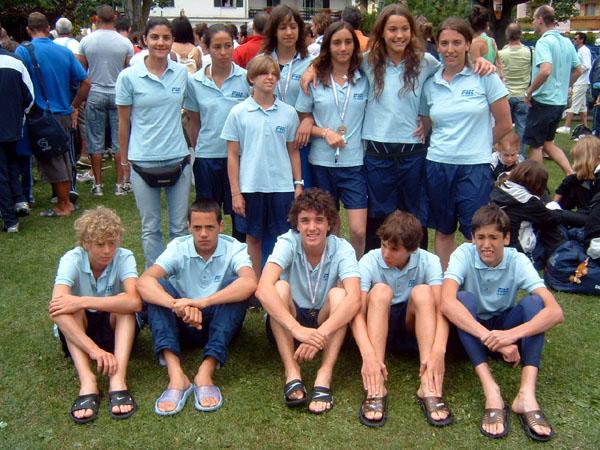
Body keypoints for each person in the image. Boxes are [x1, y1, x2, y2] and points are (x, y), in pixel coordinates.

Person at [441, 204, 564, 441]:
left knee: (534, 304)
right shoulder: (463, 254)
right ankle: (491, 390)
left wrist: (510, 335)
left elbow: (555, 312)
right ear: (473, 238)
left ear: (506, 238)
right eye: (480, 237)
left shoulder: (517, 260)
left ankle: (526, 394)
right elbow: (446, 302)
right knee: (463, 300)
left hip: (504, 326)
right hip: (471, 332)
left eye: (493, 237)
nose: (486, 244)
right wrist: (491, 339)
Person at [137, 199, 256, 415]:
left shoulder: (234, 248)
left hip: (218, 319)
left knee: (236, 287)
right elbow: (144, 281)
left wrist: (202, 302)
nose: (203, 234)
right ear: (189, 227)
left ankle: (206, 371)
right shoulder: (178, 247)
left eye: (210, 227)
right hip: (182, 319)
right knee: (158, 288)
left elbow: (249, 282)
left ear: (221, 226)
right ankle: (176, 376)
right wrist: (176, 305)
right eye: (197, 227)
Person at [255, 188, 361, 414]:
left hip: (325, 322)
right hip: (291, 320)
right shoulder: (287, 242)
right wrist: (297, 329)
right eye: (305, 221)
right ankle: (292, 370)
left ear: (330, 223)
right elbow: (262, 289)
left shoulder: (342, 248)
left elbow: (355, 299)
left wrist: (319, 334)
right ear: (297, 223)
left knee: (340, 295)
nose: (312, 227)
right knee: (279, 288)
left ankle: (325, 373)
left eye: (319, 220)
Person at [420, 17, 512, 270]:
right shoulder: (430, 82)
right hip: (438, 165)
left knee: (477, 231)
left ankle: (474, 281)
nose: (450, 49)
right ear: (437, 45)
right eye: (444, 43)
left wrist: (480, 145)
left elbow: (505, 123)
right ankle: (445, 282)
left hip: (474, 166)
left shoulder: (485, 76)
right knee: (443, 229)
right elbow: (425, 123)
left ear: (468, 44)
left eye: (457, 42)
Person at [352, 211, 451, 428]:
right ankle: (376, 385)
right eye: (383, 245)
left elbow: (442, 309)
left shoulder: (429, 261)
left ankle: (428, 383)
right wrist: (368, 355)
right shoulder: (369, 260)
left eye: (394, 249)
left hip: (412, 327)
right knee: (380, 291)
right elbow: (356, 312)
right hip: (379, 326)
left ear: (412, 249)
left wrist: (439, 350)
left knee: (423, 292)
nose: (386, 253)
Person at [49, 207, 141, 424]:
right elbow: (55, 309)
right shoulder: (71, 259)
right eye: (100, 244)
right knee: (68, 309)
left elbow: (135, 302)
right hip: (81, 335)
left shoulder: (124, 256)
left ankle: (117, 380)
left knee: (124, 305)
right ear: (86, 243)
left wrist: (82, 300)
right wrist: (94, 350)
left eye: (112, 243)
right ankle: (88, 381)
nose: (107, 250)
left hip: (114, 328)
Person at [116, 17, 191, 268]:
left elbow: (192, 110)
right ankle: (154, 279)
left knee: (179, 227)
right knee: (151, 228)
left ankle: (178, 275)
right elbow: (123, 122)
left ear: (173, 40)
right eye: (155, 37)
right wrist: (124, 161)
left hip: (177, 157)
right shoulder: (128, 77)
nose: (161, 43)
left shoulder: (181, 73)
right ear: (144, 40)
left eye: (166, 37)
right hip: (143, 160)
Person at [221, 54, 301, 278]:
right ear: (251, 78)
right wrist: (236, 192)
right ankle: (254, 286)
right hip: (251, 186)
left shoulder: (288, 112)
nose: (270, 77)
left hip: (282, 187)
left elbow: (293, 151)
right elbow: (233, 155)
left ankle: (281, 284)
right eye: (264, 73)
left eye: (274, 74)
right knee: (253, 238)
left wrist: (298, 184)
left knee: (284, 239)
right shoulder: (238, 113)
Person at [295, 21, 368, 257]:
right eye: (337, 43)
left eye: (347, 42)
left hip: (354, 162)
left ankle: (354, 270)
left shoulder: (364, 77)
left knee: (358, 230)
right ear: (328, 46)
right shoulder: (315, 79)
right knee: (330, 227)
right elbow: (303, 119)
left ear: (355, 46)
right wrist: (325, 132)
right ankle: (331, 270)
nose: (343, 48)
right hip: (322, 162)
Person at [15, 12, 90, 218]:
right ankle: (66, 200)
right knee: (63, 157)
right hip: (63, 112)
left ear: (28, 30)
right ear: (49, 29)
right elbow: (86, 82)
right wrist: (74, 106)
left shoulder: (23, 51)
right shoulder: (63, 51)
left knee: (52, 160)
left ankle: (63, 205)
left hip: (40, 115)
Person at [184, 24, 249, 241]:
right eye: (217, 47)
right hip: (207, 158)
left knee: (240, 215)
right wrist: (198, 151)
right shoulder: (195, 82)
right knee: (208, 216)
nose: (223, 52)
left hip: (239, 158)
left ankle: (240, 257)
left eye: (228, 46)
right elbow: (194, 122)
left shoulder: (246, 79)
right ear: (206, 47)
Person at [79, 5, 134, 197]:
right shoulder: (124, 43)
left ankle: (98, 184)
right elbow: (129, 70)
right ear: (115, 18)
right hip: (118, 94)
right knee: (120, 140)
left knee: (95, 139)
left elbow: (81, 70)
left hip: (95, 92)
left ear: (96, 18)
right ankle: (120, 183)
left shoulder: (86, 41)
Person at [490, 160, 588, 266]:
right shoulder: (527, 201)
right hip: (518, 250)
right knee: (551, 218)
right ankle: (559, 260)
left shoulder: (501, 186)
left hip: (497, 244)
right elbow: (552, 217)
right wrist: (588, 220)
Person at [261, 4, 316, 188]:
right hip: (269, 140)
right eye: (282, 27)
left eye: (293, 27)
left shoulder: (312, 63)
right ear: (274, 31)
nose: (289, 32)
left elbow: (321, 101)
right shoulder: (261, 62)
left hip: (299, 142)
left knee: (301, 194)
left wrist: (309, 119)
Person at [524, 5, 583, 175]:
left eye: (534, 19)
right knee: (548, 143)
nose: (533, 22)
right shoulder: (566, 41)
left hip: (543, 101)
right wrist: (566, 85)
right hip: (559, 102)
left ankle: (537, 185)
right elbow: (579, 69)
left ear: (540, 19)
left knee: (535, 145)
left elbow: (545, 70)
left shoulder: (544, 42)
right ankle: (572, 175)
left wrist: (529, 92)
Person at [0, 41, 34, 232]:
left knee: (2, 173)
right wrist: (20, 115)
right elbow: (29, 96)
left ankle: (10, 220)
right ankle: (19, 200)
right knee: (12, 163)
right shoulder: (15, 61)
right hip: (13, 124)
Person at [499, 23, 533, 156]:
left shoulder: (501, 54)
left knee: (503, 127)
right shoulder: (530, 52)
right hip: (523, 95)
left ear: (507, 35)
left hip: (505, 95)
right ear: (520, 34)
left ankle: (503, 153)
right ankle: (520, 155)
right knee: (521, 127)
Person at [557, 32, 593, 133]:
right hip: (581, 81)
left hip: (581, 82)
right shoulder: (580, 50)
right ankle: (585, 127)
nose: (574, 40)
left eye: (576, 38)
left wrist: (576, 74)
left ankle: (566, 127)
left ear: (581, 40)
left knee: (574, 104)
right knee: (582, 107)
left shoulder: (584, 51)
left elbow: (586, 65)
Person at [554, 136, 600, 211]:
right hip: (586, 213)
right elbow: (561, 191)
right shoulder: (576, 179)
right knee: (571, 183)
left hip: (593, 214)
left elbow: (592, 214)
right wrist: (553, 205)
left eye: (577, 159)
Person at [468, 5, 503, 76]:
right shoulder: (492, 41)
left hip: (480, 80)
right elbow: (498, 64)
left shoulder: (474, 43)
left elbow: (475, 69)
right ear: (487, 24)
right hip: (491, 77)